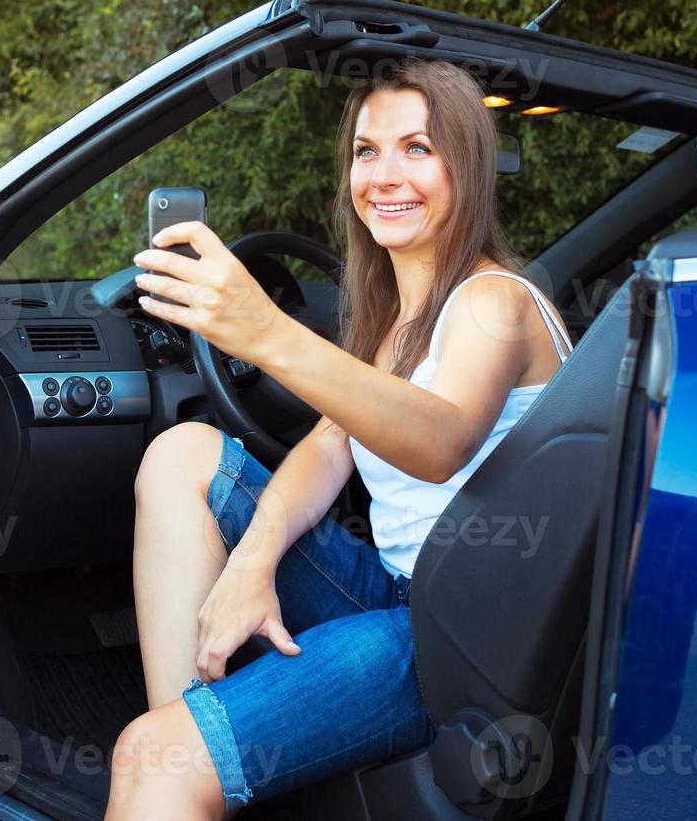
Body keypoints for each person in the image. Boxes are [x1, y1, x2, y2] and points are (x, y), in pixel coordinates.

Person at [109, 57, 572, 818]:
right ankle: (192, 740)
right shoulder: (390, 318)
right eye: (366, 151)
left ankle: (176, 761)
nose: (384, 176)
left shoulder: (496, 300)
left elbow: (440, 439)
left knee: (146, 757)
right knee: (181, 453)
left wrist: (266, 334)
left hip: (457, 635)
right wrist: (250, 563)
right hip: (389, 591)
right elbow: (329, 447)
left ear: (470, 166)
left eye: (418, 149)